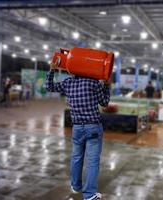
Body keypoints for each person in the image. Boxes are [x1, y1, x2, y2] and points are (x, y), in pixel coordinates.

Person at [45, 62, 110, 200]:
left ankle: (75, 186)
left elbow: (49, 86)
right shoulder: (94, 83)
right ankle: (90, 195)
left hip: (77, 128)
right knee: (92, 161)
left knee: (76, 157)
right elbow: (104, 102)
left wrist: (52, 70)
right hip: (93, 127)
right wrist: (107, 86)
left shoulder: (68, 83)